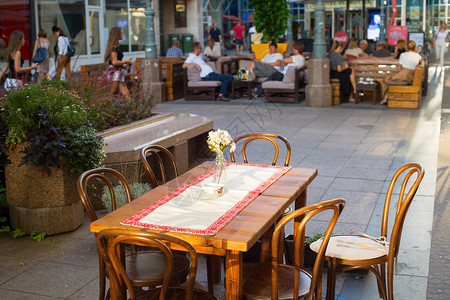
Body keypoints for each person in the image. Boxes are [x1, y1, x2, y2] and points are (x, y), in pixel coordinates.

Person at [380, 40, 422, 105]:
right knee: (389, 77)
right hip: (411, 76)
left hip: (404, 75)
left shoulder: (403, 55)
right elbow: (421, 62)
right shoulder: (418, 56)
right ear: (414, 47)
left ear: (406, 47)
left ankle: (385, 97)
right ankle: (386, 97)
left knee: (387, 78)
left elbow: (398, 68)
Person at [104, 27, 132, 100]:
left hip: (118, 71)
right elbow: (114, 62)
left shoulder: (116, 46)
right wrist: (126, 62)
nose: (123, 34)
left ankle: (133, 108)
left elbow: (116, 61)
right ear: (117, 35)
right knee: (112, 91)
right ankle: (104, 106)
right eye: (121, 33)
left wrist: (123, 66)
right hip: (114, 72)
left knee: (125, 92)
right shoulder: (114, 47)